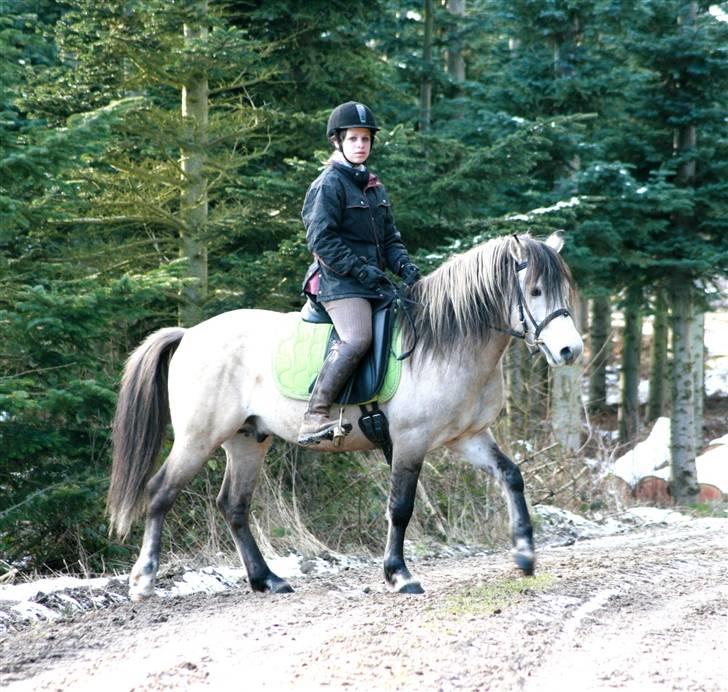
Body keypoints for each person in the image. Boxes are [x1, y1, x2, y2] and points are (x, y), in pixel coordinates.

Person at [297, 101, 420, 445]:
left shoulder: (374, 186)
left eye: (365, 139)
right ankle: (315, 413)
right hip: (339, 283)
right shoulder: (329, 184)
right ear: (338, 141)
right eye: (353, 138)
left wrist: (404, 266)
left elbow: (390, 239)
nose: (360, 145)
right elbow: (321, 240)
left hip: (371, 283)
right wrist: (361, 271)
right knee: (357, 337)